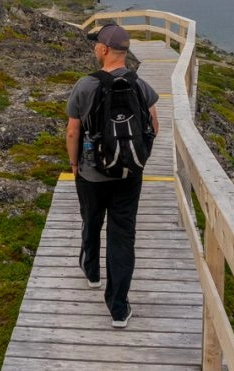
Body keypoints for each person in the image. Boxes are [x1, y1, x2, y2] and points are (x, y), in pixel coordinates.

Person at [65, 23, 159, 328]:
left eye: (96, 45)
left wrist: (74, 163)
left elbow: (72, 130)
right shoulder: (141, 85)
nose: (94, 49)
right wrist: (136, 156)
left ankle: (91, 272)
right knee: (122, 236)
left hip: (92, 173)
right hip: (129, 174)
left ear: (104, 49)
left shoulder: (85, 85)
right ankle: (119, 308)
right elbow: (154, 126)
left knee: (91, 220)